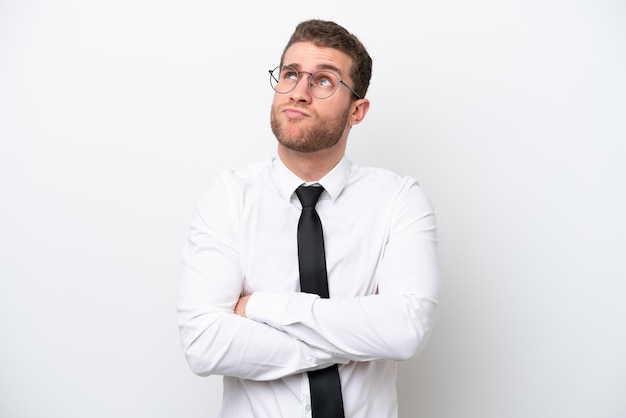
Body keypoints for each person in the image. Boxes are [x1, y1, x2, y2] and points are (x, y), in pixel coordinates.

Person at [177, 19, 440, 418]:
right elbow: (204, 343)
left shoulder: (399, 200)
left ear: (357, 111)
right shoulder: (229, 197)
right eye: (291, 74)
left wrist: (262, 308)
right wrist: (358, 335)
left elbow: (405, 330)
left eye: (323, 81)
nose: (299, 93)